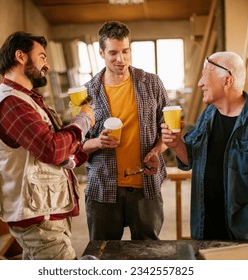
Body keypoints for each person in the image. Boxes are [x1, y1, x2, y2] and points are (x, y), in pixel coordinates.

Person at [161, 51, 248, 240]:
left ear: (227, 80)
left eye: (205, 76)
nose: (200, 83)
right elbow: (190, 158)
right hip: (207, 227)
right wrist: (176, 144)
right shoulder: (208, 116)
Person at [0, 31, 94, 259]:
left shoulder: (27, 99)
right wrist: (82, 121)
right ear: (21, 56)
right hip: (38, 219)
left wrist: (83, 147)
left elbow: (51, 151)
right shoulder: (12, 103)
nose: (47, 64)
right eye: (42, 57)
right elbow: (51, 149)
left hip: (44, 212)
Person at [82, 21, 170, 240]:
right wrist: (98, 143)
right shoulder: (86, 93)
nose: (120, 59)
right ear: (101, 52)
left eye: (125, 51)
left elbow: (167, 130)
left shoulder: (151, 83)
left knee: (148, 254)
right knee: (104, 255)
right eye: (113, 53)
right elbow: (76, 144)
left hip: (145, 187)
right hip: (103, 188)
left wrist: (158, 151)